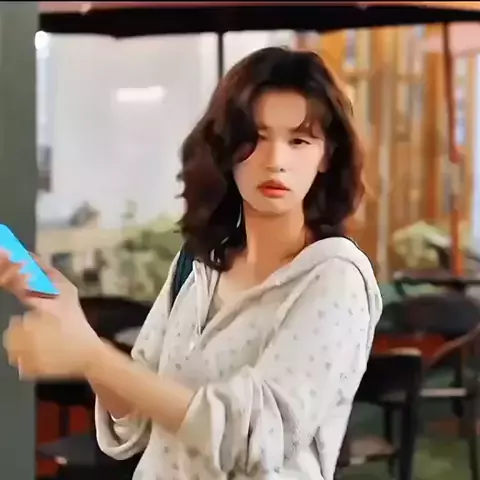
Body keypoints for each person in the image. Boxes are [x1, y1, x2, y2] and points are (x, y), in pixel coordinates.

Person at [1, 46, 382, 480]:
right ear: (226, 148)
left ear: (326, 155)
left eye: (299, 140)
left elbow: (253, 438)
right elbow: (136, 421)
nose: (276, 161)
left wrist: (92, 357)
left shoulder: (335, 278)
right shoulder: (198, 263)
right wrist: (77, 327)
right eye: (255, 138)